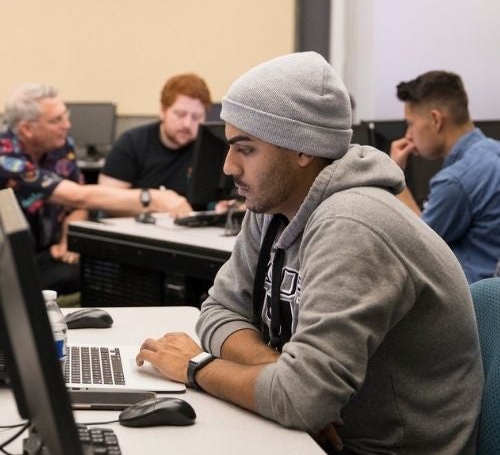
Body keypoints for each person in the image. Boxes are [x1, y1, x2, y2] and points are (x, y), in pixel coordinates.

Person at [136, 52, 483, 454]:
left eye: (245, 149)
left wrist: (197, 367)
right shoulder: (275, 204)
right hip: (312, 436)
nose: (228, 167)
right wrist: (280, 378)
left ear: (303, 149)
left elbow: (301, 401)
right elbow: (217, 310)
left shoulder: (353, 225)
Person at [0, 83, 191, 295]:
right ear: (27, 129)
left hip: (48, 253)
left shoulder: (60, 146)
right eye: (57, 120)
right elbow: (78, 196)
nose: (67, 124)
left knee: (111, 271)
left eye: (66, 116)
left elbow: (76, 205)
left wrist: (67, 237)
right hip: (10, 264)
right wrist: (151, 198)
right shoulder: (5, 157)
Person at [390, 70, 500, 283]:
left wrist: (394, 174)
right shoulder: (494, 152)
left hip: (474, 305)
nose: (408, 135)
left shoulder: (456, 181)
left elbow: (419, 244)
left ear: (436, 120)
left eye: (411, 124)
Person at [99, 73, 212, 207]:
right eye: (180, 114)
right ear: (162, 111)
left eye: (196, 117)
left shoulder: (209, 148)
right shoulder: (132, 143)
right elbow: (106, 201)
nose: (187, 124)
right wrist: (154, 202)